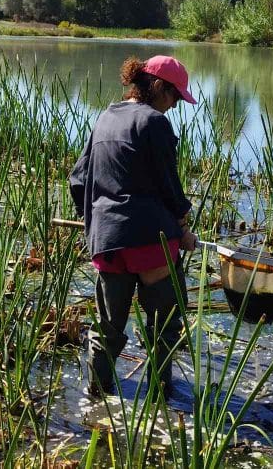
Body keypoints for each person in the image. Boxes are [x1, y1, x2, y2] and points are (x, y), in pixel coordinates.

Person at [69, 55, 199, 397]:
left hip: (108, 243)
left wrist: (98, 222)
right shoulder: (154, 122)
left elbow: (78, 180)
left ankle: (96, 390)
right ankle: (161, 393)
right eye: (174, 97)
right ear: (158, 87)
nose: (173, 107)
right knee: (164, 326)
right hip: (151, 242)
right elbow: (169, 185)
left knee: (109, 326)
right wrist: (183, 225)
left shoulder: (105, 118)